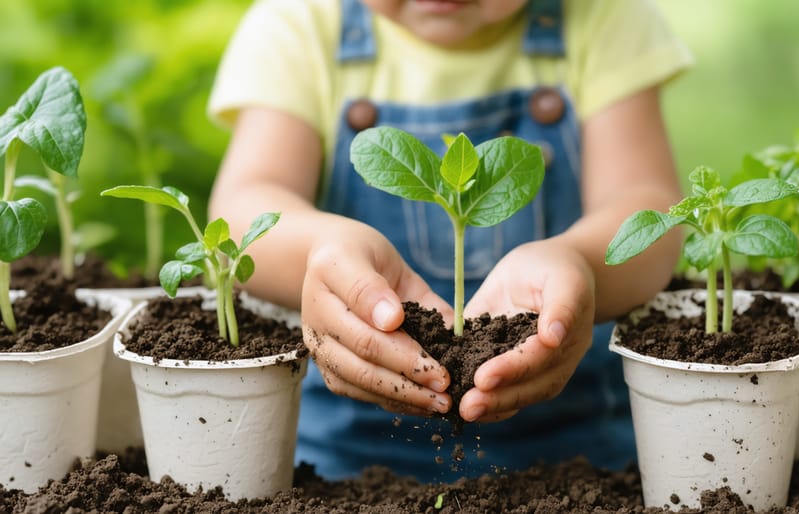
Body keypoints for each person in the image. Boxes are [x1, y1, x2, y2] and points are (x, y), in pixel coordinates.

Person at [207, 0, 692, 482]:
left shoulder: (604, 18)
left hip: (580, 463)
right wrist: (320, 249)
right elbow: (243, 210)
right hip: (344, 465)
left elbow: (646, 210)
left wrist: (579, 262)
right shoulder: (299, 25)